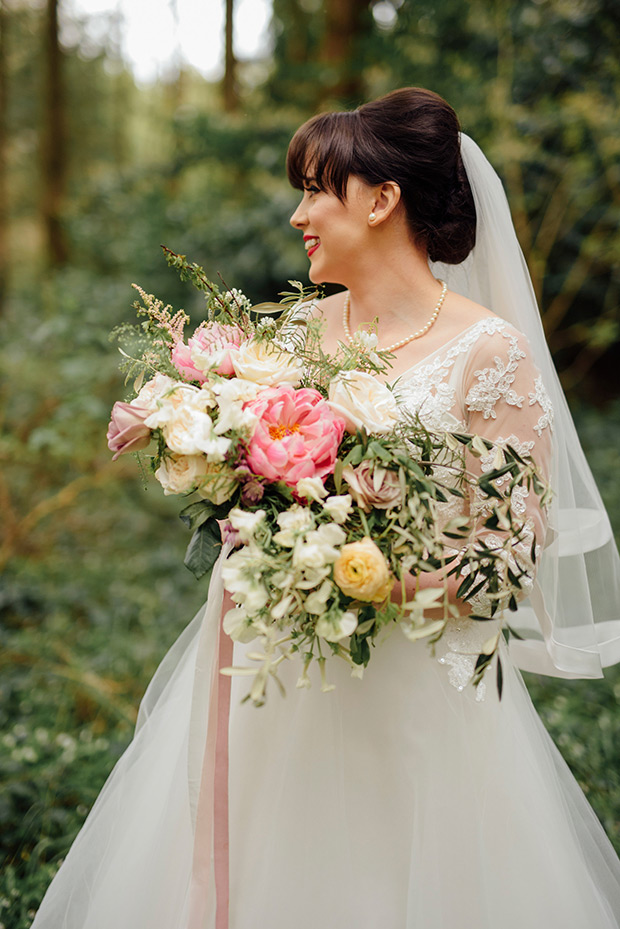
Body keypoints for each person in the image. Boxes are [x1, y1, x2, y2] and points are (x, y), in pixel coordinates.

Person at [32, 88, 620, 929]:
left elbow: (503, 565)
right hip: (274, 681)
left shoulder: (490, 353)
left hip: (415, 703)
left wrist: (362, 580)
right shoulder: (295, 336)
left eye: (318, 189)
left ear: (382, 200)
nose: (300, 213)